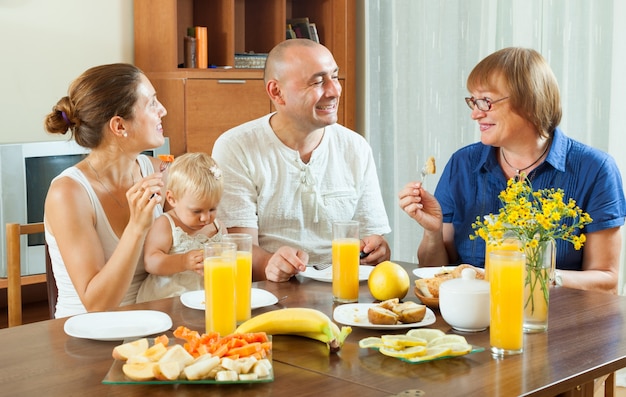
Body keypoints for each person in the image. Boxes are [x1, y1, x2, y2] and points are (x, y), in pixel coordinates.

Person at [398, 47, 626, 293]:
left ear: (530, 101)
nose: (475, 114)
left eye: (486, 101)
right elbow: (434, 271)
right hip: (470, 319)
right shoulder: (462, 163)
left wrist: (534, 277)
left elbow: (606, 280)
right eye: (473, 101)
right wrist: (432, 231)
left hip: (555, 321)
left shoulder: (595, 169)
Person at [212, 39, 391, 282]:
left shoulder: (355, 147)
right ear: (277, 92)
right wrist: (270, 263)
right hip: (270, 293)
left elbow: (373, 238)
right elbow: (238, 249)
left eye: (335, 77)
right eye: (318, 81)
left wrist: (377, 250)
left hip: (346, 290)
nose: (334, 90)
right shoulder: (236, 147)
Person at [43, 63, 168, 317]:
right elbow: (97, 304)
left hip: (150, 327)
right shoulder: (68, 194)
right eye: (152, 103)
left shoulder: (158, 172)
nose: (163, 110)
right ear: (119, 126)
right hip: (86, 339)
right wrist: (137, 227)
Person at [136, 152, 225, 303]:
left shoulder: (217, 226)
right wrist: (183, 261)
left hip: (205, 298)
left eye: (212, 209)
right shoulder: (166, 224)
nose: (205, 218)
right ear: (172, 199)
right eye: (196, 211)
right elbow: (150, 262)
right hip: (169, 298)